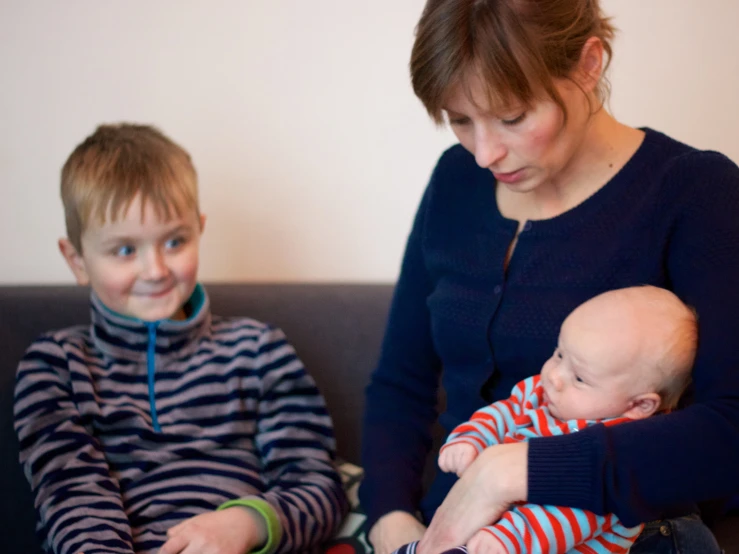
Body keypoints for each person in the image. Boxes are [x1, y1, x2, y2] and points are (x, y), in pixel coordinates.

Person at [359, 1, 739, 553]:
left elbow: (730, 430)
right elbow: (402, 382)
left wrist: (515, 471)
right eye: (460, 120)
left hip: (610, 533)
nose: (485, 153)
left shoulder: (694, 192)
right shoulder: (454, 180)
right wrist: (390, 517)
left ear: (588, 65)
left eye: (512, 117)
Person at [14, 123, 348, 554]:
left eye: (174, 241)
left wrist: (246, 523)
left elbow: (319, 486)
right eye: (124, 250)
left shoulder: (258, 350)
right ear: (77, 260)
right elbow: (71, 498)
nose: (155, 270)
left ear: (199, 229)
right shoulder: (56, 365)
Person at [391, 286, 696, 554]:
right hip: (490, 530)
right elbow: (502, 412)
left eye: (579, 377)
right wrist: (472, 438)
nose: (554, 376)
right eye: (559, 353)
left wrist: (510, 537)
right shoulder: (543, 391)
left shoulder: (619, 460)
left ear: (639, 404)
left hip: (533, 541)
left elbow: (572, 516)